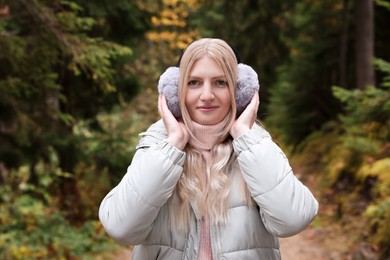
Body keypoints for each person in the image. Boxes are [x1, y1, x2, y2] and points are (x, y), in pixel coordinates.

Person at [99, 38, 318, 260]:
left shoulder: (256, 147)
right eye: (194, 82)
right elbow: (120, 228)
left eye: (220, 82)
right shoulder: (157, 146)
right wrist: (172, 146)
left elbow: (293, 219)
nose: (206, 95)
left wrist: (245, 137)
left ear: (240, 90)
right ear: (176, 90)